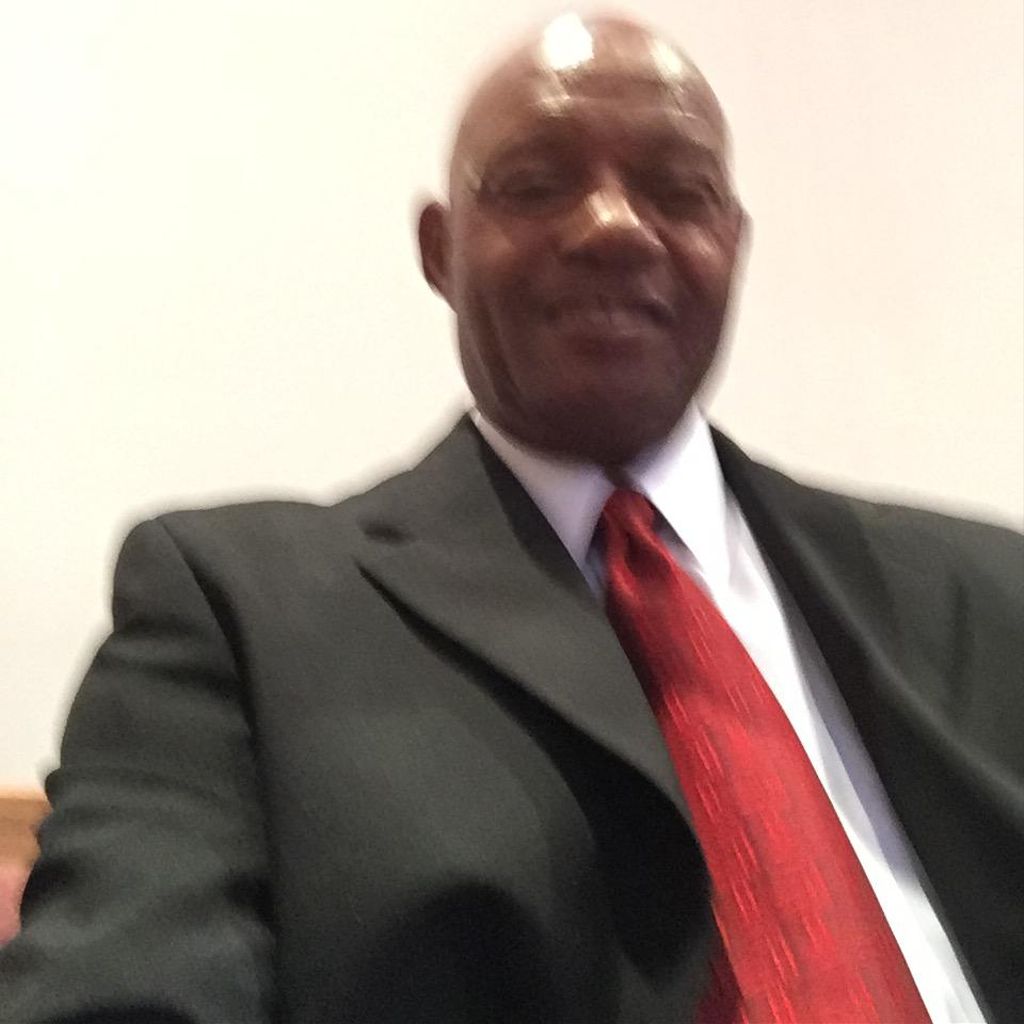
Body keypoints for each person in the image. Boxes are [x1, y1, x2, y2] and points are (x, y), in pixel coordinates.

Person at [1, 13, 1021, 1024]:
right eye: (535, 185)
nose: (615, 225)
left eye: (678, 191)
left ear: (733, 244)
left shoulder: (986, 592)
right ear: (439, 251)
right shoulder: (234, 608)